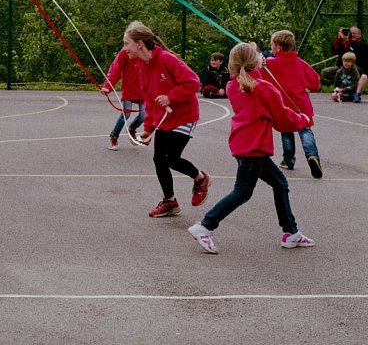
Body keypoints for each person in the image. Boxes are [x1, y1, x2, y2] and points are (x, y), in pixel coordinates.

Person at [187, 42, 315, 254]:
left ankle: (291, 232)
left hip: (244, 144)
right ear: (254, 63)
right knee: (243, 192)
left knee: (280, 183)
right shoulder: (264, 88)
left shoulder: (233, 85)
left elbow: (252, 82)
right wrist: (302, 119)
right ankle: (205, 226)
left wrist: (256, 62)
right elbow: (283, 120)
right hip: (253, 147)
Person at [125, 21, 211, 218]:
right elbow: (149, 99)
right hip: (165, 119)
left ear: (139, 44)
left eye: (126, 43)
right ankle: (170, 201)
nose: (125, 48)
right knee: (158, 159)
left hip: (185, 116)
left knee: (171, 158)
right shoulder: (142, 67)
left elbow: (193, 81)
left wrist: (170, 97)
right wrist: (148, 128)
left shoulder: (166, 59)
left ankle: (201, 179)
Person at [265, 29, 323, 178]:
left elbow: (260, 76)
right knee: (305, 130)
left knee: (286, 131)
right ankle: (312, 155)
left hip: (283, 105)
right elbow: (315, 83)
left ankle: (289, 159)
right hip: (301, 105)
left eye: (272, 45)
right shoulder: (300, 63)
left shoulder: (270, 64)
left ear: (277, 47)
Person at [100, 47, 145, 150]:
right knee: (126, 114)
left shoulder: (147, 51)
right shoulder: (125, 52)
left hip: (144, 92)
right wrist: (108, 87)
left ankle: (132, 129)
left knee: (143, 115)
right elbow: (115, 70)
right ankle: (114, 137)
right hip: (129, 90)